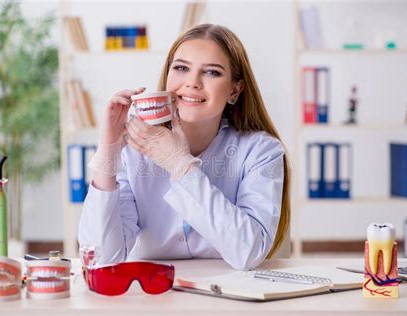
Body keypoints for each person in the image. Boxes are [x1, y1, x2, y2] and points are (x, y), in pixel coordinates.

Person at [78, 24, 291, 270]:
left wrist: (178, 163)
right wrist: (108, 149)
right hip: (153, 296)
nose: (192, 82)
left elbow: (248, 252)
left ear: (234, 90)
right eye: (181, 68)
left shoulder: (261, 151)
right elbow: (100, 259)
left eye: (211, 72)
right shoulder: (133, 150)